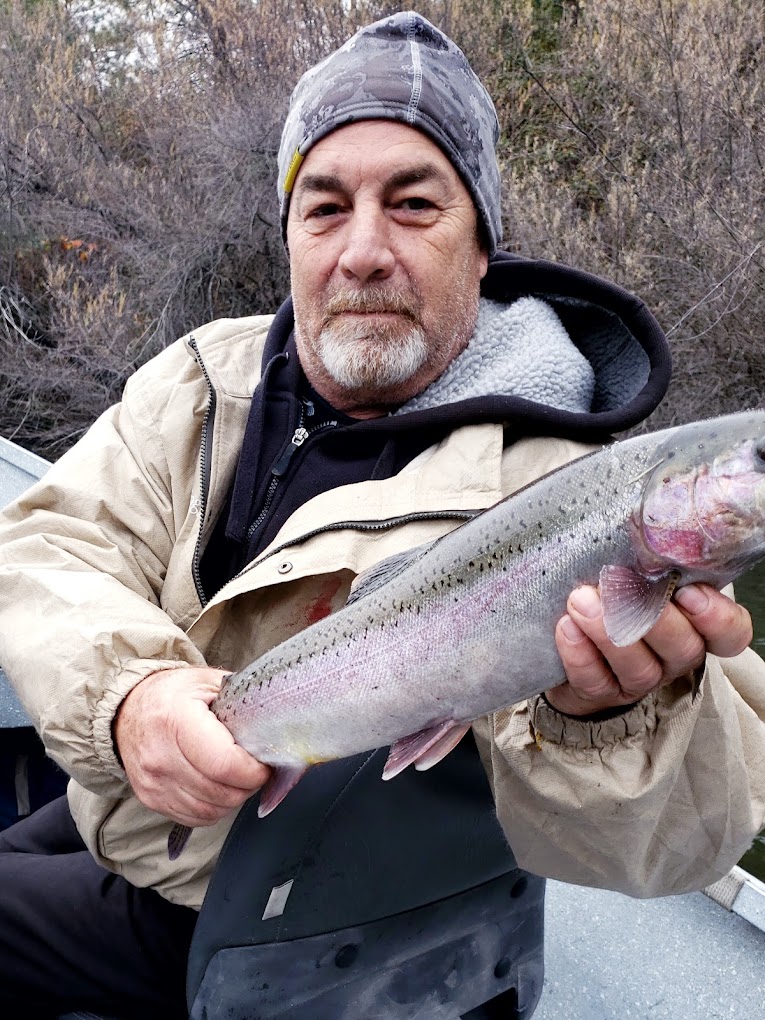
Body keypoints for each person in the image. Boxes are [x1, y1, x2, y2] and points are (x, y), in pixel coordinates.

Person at [0, 10, 764, 1019]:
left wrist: (616, 720)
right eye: (324, 208)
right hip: (133, 800)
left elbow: (689, 836)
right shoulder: (206, 377)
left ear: (484, 246)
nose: (363, 251)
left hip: (276, 931)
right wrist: (131, 699)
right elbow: (48, 540)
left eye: (413, 205)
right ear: (288, 240)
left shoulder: (563, 477)